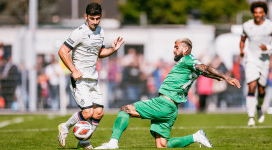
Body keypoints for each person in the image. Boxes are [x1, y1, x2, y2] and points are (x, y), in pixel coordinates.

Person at [95, 38, 240, 149]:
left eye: (176, 47)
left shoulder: (188, 59)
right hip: (171, 108)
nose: (174, 50)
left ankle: (113, 143)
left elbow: (205, 67)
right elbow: (206, 72)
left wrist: (227, 77)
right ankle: (195, 136)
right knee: (162, 145)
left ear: (186, 49)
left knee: (125, 110)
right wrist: (223, 77)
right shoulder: (190, 63)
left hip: (163, 103)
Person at [57, 2, 124, 149]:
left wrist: (113, 49)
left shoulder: (101, 31)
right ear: (85, 16)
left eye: (97, 18)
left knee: (99, 113)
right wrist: (73, 70)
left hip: (93, 78)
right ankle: (65, 126)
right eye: (92, 18)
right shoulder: (79, 32)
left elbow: (100, 53)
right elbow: (62, 51)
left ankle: (83, 140)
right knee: (87, 113)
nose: (95, 22)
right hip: (79, 79)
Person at [239, 1, 272, 126]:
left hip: (264, 60)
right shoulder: (247, 25)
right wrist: (242, 51)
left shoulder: (270, 26)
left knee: (261, 89)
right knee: (251, 86)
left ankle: (259, 107)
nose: (258, 15)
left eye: (260, 12)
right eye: (256, 12)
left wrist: (269, 47)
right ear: (253, 13)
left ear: (264, 13)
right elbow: (242, 40)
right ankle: (250, 117)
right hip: (251, 60)